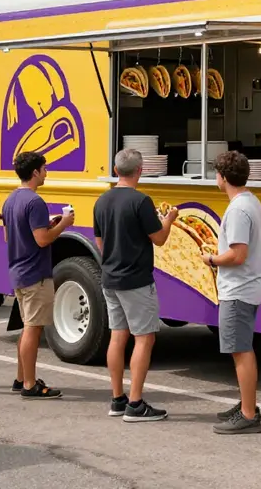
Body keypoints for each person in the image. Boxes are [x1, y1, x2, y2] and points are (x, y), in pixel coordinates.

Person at [93, 148, 177, 422]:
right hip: (136, 280)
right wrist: (169, 220)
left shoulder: (102, 201)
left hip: (110, 278)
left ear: (116, 171)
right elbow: (159, 238)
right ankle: (136, 403)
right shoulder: (141, 201)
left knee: (118, 336)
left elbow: (99, 242)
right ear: (140, 170)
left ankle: (117, 398)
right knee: (145, 338)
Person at [202, 150, 261, 434]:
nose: (215, 177)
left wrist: (212, 260)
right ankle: (245, 404)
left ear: (224, 177)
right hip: (245, 287)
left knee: (241, 350)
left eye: (216, 173)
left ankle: (249, 414)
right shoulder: (250, 202)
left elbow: (238, 254)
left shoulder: (238, 209)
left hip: (238, 289)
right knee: (240, 349)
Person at [2, 151, 74, 399]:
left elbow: (9, 237)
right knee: (33, 328)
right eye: (44, 168)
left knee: (26, 327)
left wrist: (48, 226)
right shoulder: (35, 202)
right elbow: (42, 240)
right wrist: (63, 224)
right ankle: (30, 385)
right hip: (36, 273)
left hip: (18, 270)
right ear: (35, 172)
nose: (46, 172)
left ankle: (22, 378)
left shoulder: (10, 200)